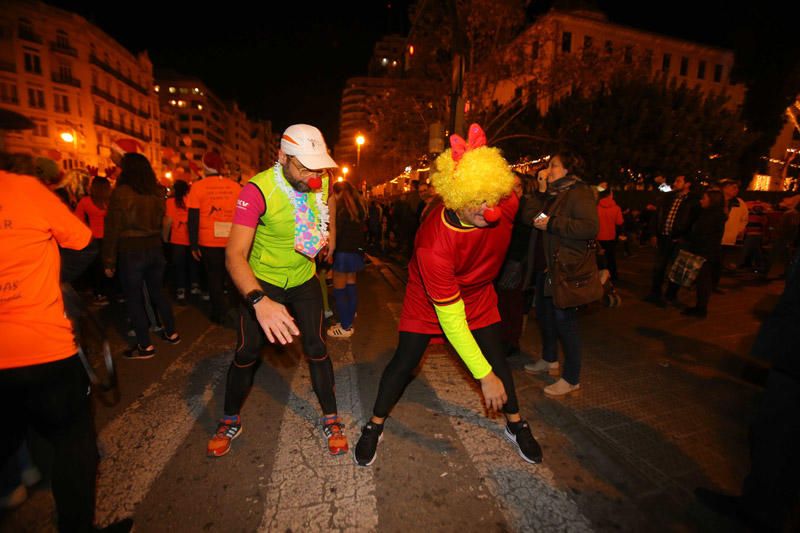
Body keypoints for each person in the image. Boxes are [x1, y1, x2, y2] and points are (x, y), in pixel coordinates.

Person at [353, 124, 543, 467]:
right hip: (429, 299)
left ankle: (515, 424)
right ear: (456, 197)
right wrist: (481, 377)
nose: (489, 210)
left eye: (491, 198)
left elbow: (521, 200)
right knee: (405, 363)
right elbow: (452, 321)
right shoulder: (433, 246)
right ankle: (374, 424)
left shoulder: (506, 202)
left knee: (497, 361)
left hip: (479, 293)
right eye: (477, 202)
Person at [0, 168, 132, 532]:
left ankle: (16, 478)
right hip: (42, 347)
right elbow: (85, 243)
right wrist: (51, 279)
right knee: (74, 444)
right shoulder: (22, 189)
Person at [207, 124, 348, 457]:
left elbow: (328, 208)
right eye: (304, 167)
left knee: (316, 346)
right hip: (262, 282)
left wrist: (329, 242)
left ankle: (331, 416)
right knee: (246, 352)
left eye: (318, 168)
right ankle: (230, 418)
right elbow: (234, 255)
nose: (313, 176)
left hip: (303, 279)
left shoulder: (322, 180)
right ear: (282, 156)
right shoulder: (257, 190)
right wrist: (259, 300)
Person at [695, 247, 800, 531]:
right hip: (790, 353)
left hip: (794, 358)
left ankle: (762, 511)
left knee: (776, 433)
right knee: (772, 435)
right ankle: (762, 505)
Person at [521, 151, 599, 397]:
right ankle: (550, 359)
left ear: (568, 170)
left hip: (565, 269)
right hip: (548, 268)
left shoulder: (579, 193)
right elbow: (531, 218)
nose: (549, 169)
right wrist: (541, 191)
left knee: (565, 323)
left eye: (554, 165)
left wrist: (553, 223)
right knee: (545, 318)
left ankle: (572, 377)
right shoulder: (554, 194)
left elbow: (589, 227)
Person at [103, 153, 180, 358]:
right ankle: (172, 333)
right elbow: (161, 220)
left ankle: (145, 346)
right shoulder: (156, 192)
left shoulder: (120, 193)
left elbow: (112, 228)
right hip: (155, 248)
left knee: (134, 298)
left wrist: (108, 260)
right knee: (158, 293)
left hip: (131, 251)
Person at [187, 151, 242, 324]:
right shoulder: (234, 186)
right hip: (232, 239)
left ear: (204, 166)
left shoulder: (197, 187)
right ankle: (236, 310)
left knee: (214, 278)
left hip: (208, 240)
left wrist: (194, 244)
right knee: (234, 277)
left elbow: (193, 218)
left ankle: (219, 313)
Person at [664, 189, 726, 318]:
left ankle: (700, 309)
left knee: (701, 281)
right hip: (707, 252)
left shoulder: (709, 216)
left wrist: (686, 240)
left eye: (704, 198)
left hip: (702, 252)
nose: (701, 201)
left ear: (712, 201)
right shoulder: (715, 214)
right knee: (703, 281)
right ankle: (699, 307)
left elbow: (700, 234)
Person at [644, 175, 698, 306]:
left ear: (688, 184)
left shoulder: (693, 201)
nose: (675, 183)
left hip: (679, 240)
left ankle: (671, 295)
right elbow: (657, 216)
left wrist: (686, 237)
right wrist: (653, 234)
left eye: (678, 181)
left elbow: (694, 222)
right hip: (663, 238)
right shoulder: (668, 198)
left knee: (677, 269)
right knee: (659, 267)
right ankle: (655, 293)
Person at [327, 181, 367, 338]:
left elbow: (335, 233)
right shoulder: (359, 208)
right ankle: (349, 318)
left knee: (339, 290)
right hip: (355, 253)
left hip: (343, 253)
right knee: (351, 286)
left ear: (337, 193)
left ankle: (345, 326)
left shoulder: (340, 210)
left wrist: (330, 252)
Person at [163, 179, 195, 304]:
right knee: (193, 265)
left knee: (179, 267)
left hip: (177, 239)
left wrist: (165, 238)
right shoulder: (191, 200)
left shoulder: (170, 202)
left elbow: (168, 221)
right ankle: (194, 287)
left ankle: (181, 291)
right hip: (191, 239)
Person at [715, 178, 748, 290]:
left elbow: (744, 219)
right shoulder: (716, 200)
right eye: (733, 187)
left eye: (737, 188)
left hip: (727, 238)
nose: (736, 190)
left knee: (719, 263)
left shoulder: (739, 203)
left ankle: (714, 285)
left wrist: (738, 230)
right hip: (713, 237)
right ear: (724, 188)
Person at [596, 186, 624, 282]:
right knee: (611, 258)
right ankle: (613, 278)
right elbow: (619, 222)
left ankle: (598, 278)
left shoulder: (596, 208)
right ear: (610, 195)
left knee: (598, 259)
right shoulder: (616, 208)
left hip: (598, 237)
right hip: (610, 237)